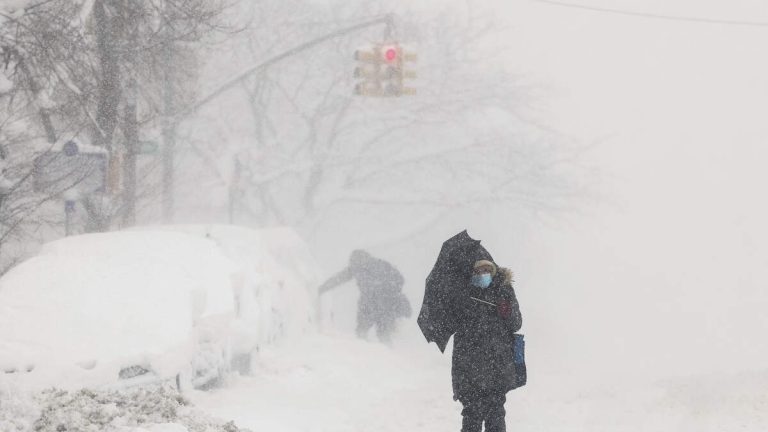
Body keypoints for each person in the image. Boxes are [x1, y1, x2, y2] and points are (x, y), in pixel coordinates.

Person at [452, 259, 523, 432]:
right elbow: (458, 336)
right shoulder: (465, 294)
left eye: (486, 270)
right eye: (478, 271)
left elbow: (516, 324)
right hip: (470, 368)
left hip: (497, 366)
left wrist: (506, 309)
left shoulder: (504, 291)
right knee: (471, 416)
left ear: (493, 271)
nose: (481, 273)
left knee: (496, 417)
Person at [318, 249, 411, 343]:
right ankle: (365, 352)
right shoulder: (356, 268)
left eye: (356, 263)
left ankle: (385, 354)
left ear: (363, 260)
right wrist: (322, 288)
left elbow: (399, 280)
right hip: (367, 304)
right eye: (353, 264)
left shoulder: (380, 265)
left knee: (382, 333)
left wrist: (386, 290)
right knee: (362, 331)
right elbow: (339, 278)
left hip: (384, 304)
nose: (355, 267)